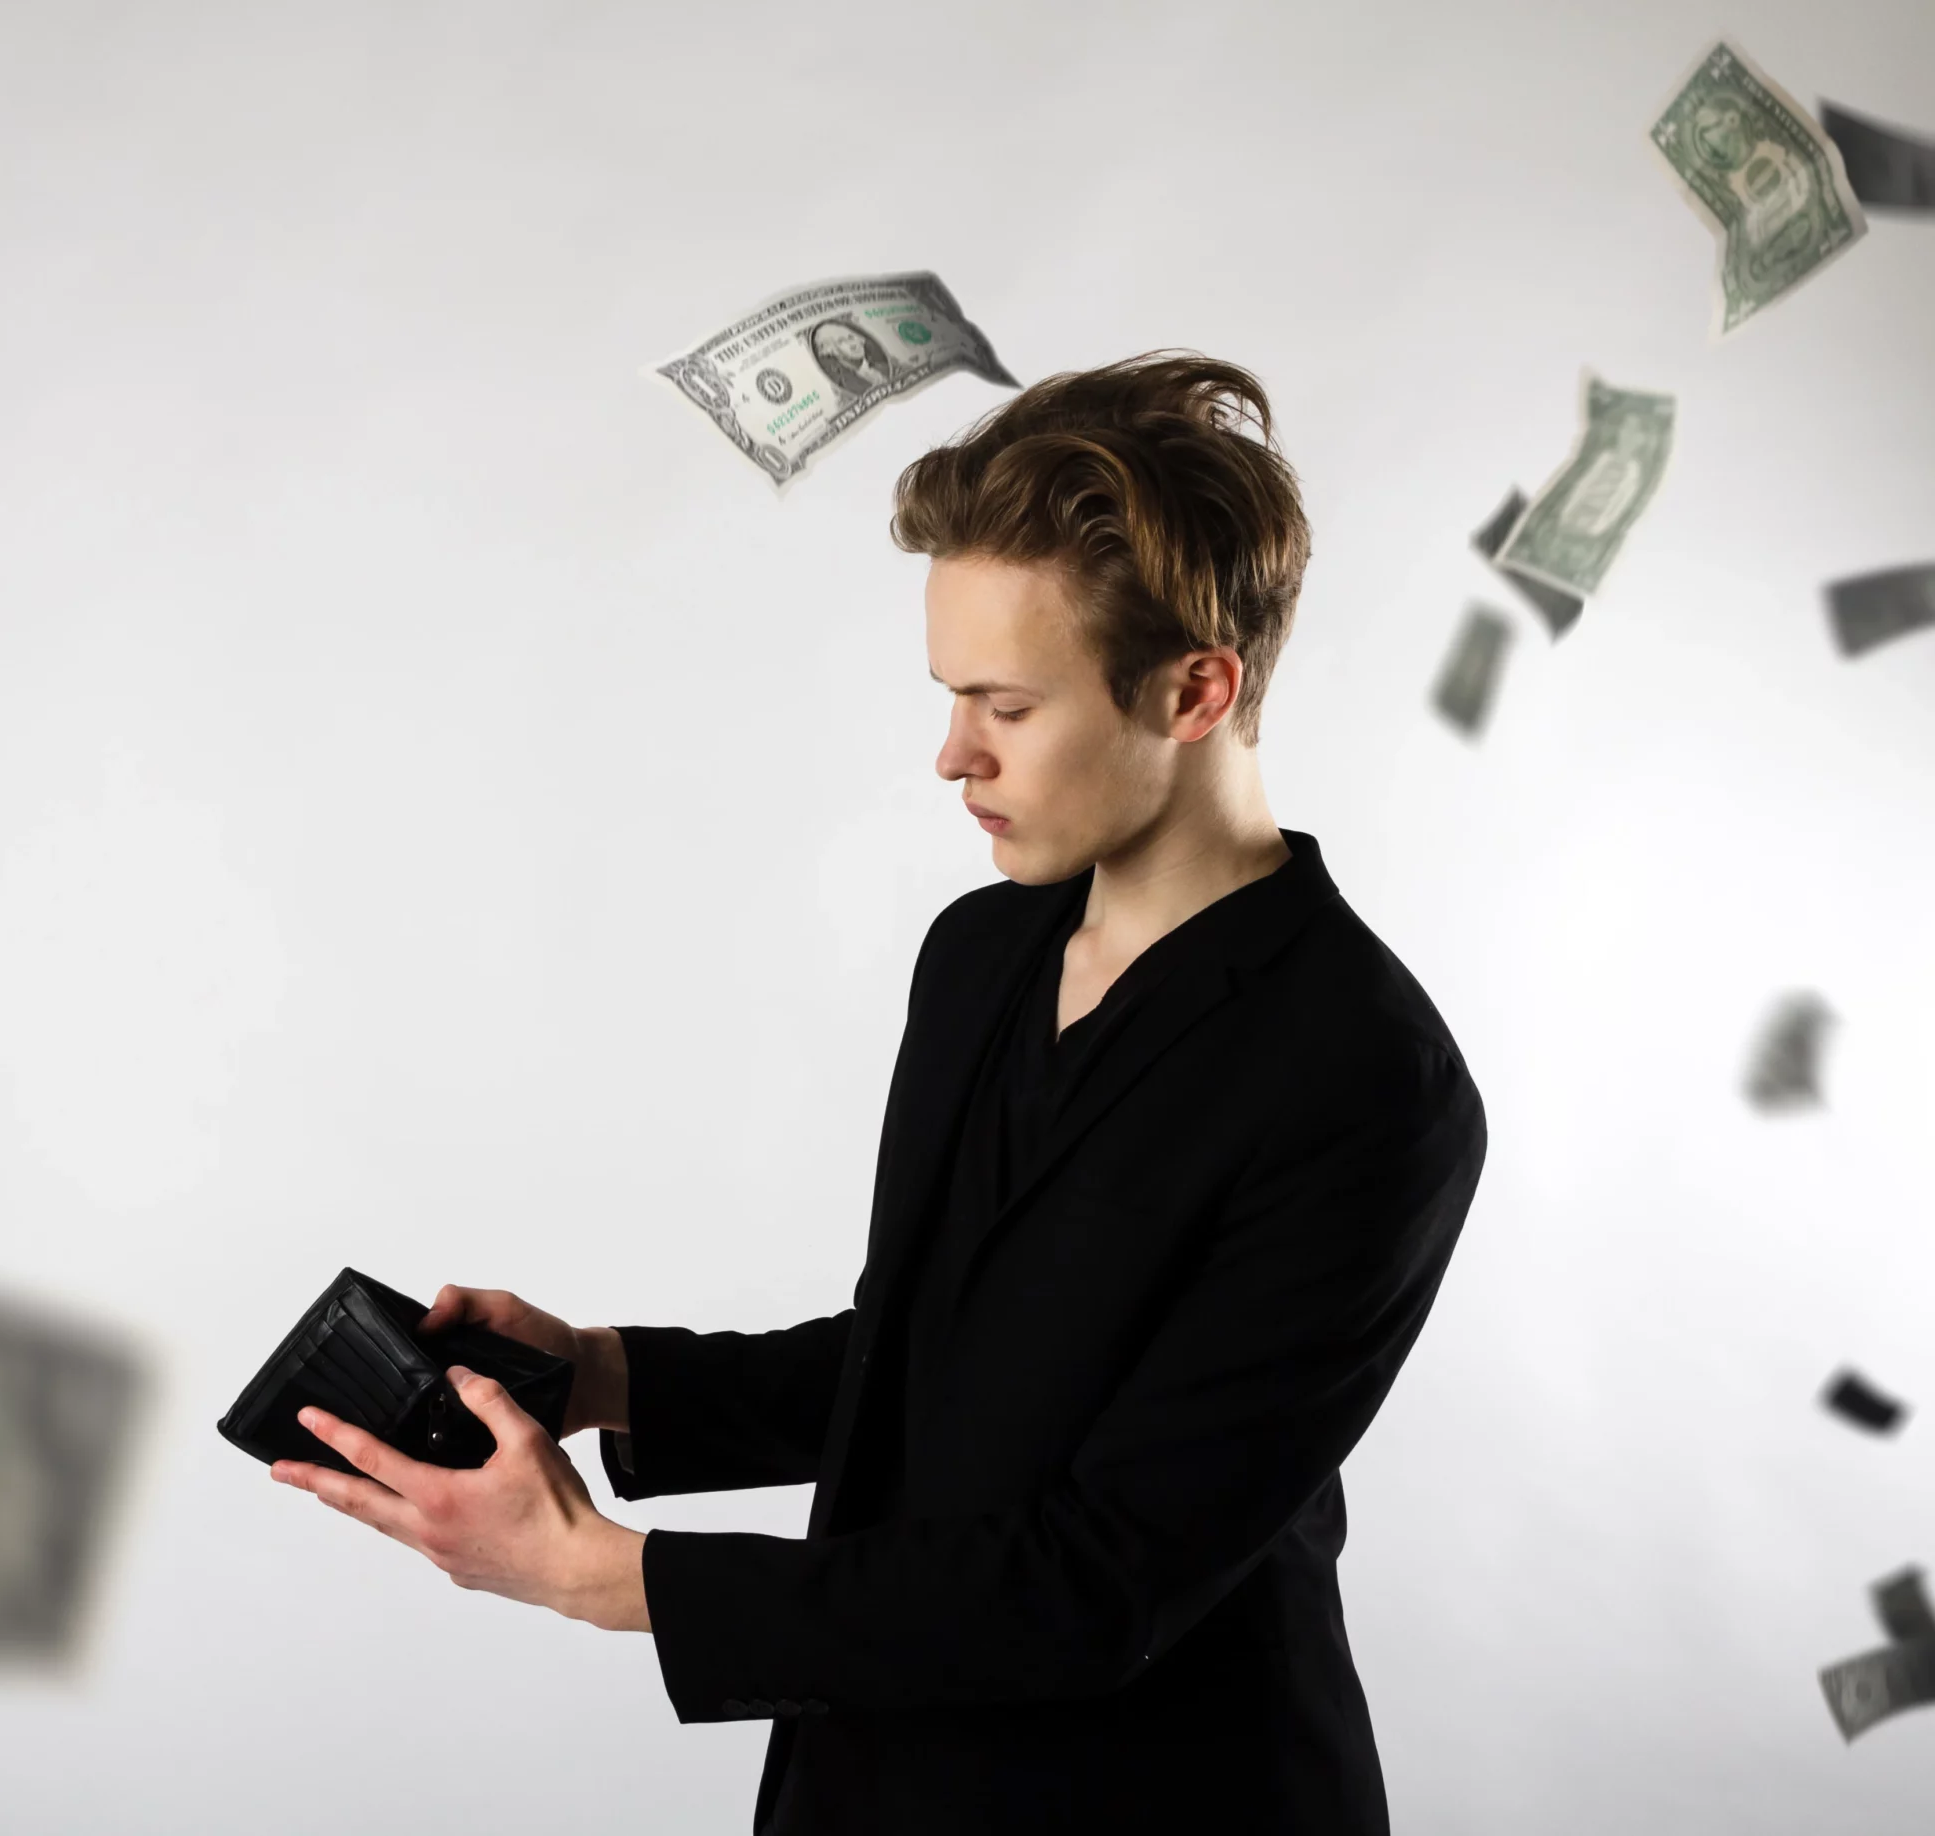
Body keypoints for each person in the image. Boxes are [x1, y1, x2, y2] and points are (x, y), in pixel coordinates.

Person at [269, 351, 1488, 1833]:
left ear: (1197, 688)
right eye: (948, 695)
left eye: (1007, 707)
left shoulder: (1372, 1082)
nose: (951, 755)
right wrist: (605, 1375)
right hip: (871, 1770)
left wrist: (603, 1576)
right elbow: (938, 1353)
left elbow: (1102, 1580)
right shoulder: (982, 950)